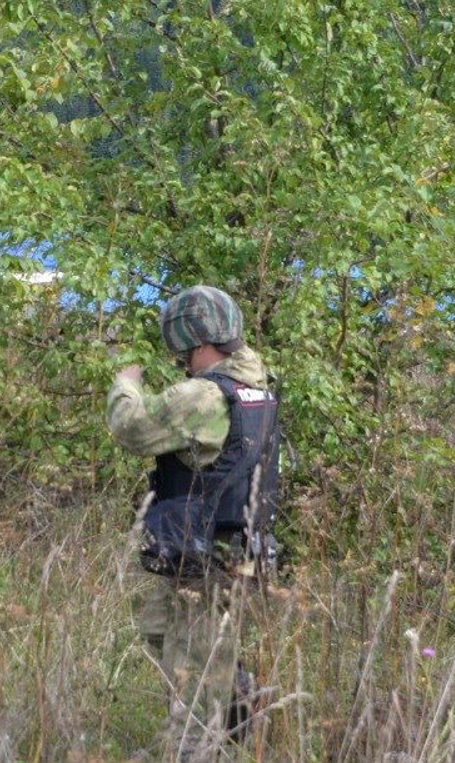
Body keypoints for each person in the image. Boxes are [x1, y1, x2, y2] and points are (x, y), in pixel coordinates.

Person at [107, 285, 279, 759]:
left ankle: (196, 743)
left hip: (204, 555)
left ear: (198, 343)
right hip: (229, 548)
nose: (181, 360)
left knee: (191, 674)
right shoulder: (257, 388)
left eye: (183, 351)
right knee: (159, 628)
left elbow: (132, 428)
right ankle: (238, 696)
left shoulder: (205, 395)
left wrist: (125, 383)